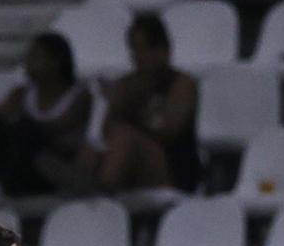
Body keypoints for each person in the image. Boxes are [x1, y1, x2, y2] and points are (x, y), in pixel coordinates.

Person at [81, 12, 199, 193]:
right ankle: (79, 186)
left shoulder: (181, 84)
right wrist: (118, 102)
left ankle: (101, 189)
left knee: (125, 138)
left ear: (162, 51)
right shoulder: (126, 83)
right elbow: (107, 131)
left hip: (169, 167)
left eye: (142, 50)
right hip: (129, 166)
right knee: (92, 148)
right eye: (133, 50)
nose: (136, 57)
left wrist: (137, 103)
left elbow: (170, 130)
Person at [0, 32, 93, 196]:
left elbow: (60, 128)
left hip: (59, 163)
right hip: (27, 164)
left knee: (26, 131)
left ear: (55, 62)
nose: (28, 63)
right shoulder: (21, 94)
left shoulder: (79, 96)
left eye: (34, 57)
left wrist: (25, 127)